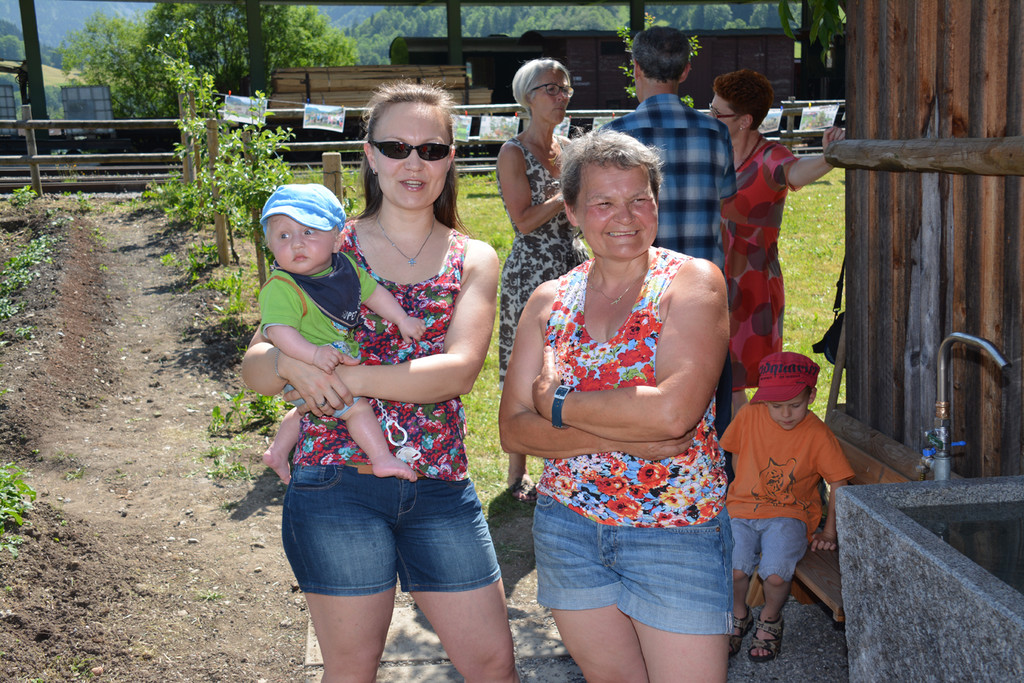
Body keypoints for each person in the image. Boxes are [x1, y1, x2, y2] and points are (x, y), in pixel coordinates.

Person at [241, 82, 519, 683]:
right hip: (335, 483)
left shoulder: (473, 257)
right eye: (395, 147)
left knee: (494, 664)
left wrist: (339, 376)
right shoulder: (322, 242)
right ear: (369, 154)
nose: (413, 163)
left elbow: (456, 373)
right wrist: (287, 365)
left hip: (439, 481)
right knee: (351, 668)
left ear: (450, 157)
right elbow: (254, 367)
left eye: (430, 149)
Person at [499, 129, 733, 682]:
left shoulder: (691, 283)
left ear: (656, 203)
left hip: (675, 527)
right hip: (568, 527)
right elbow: (513, 431)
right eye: (603, 203)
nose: (624, 217)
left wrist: (558, 403)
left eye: (639, 200)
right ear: (572, 212)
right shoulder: (549, 300)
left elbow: (673, 415)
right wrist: (621, 432)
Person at [604, 25, 738, 456]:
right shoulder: (716, 133)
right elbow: (727, 201)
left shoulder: (612, 137)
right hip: (703, 294)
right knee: (709, 410)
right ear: (685, 71)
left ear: (635, 69)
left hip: (636, 295)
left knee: (637, 407)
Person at [258, 183, 426, 485]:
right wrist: (313, 354)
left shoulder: (343, 268)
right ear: (270, 246)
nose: (297, 243)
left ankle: (278, 451)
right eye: (283, 236)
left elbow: (372, 293)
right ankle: (381, 458)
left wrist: (401, 318)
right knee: (356, 409)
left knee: (307, 408)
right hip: (307, 365)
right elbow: (278, 333)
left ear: (336, 240)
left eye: (308, 232)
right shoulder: (281, 287)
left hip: (322, 368)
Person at [712, 69, 846, 414]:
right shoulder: (713, 153)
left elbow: (798, 172)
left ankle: (750, 443)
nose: (710, 118)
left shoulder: (771, 157)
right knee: (716, 377)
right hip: (711, 281)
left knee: (744, 382)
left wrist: (829, 156)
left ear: (744, 121)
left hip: (751, 286)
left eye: (717, 113)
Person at [719, 351, 853, 662]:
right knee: (735, 569)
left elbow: (840, 482)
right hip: (741, 511)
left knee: (776, 575)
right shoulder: (749, 415)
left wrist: (829, 533)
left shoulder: (818, 434)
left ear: (812, 396)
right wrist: (743, 490)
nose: (786, 414)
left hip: (789, 516)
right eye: (776, 406)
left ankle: (770, 618)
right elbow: (736, 453)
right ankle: (740, 614)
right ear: (762, 399)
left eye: (795, 405)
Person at [496, 58, 589, 502]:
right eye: (551, 88)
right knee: (525, 366)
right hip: (531, 270)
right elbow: (524, 221)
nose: (561, 96)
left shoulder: (570, 149)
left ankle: (566, 458)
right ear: (527, 97)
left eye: (565, 88)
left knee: (572, 362)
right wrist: (566, 194)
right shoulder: (512, 152)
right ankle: (517, 472)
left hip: (573, 264)